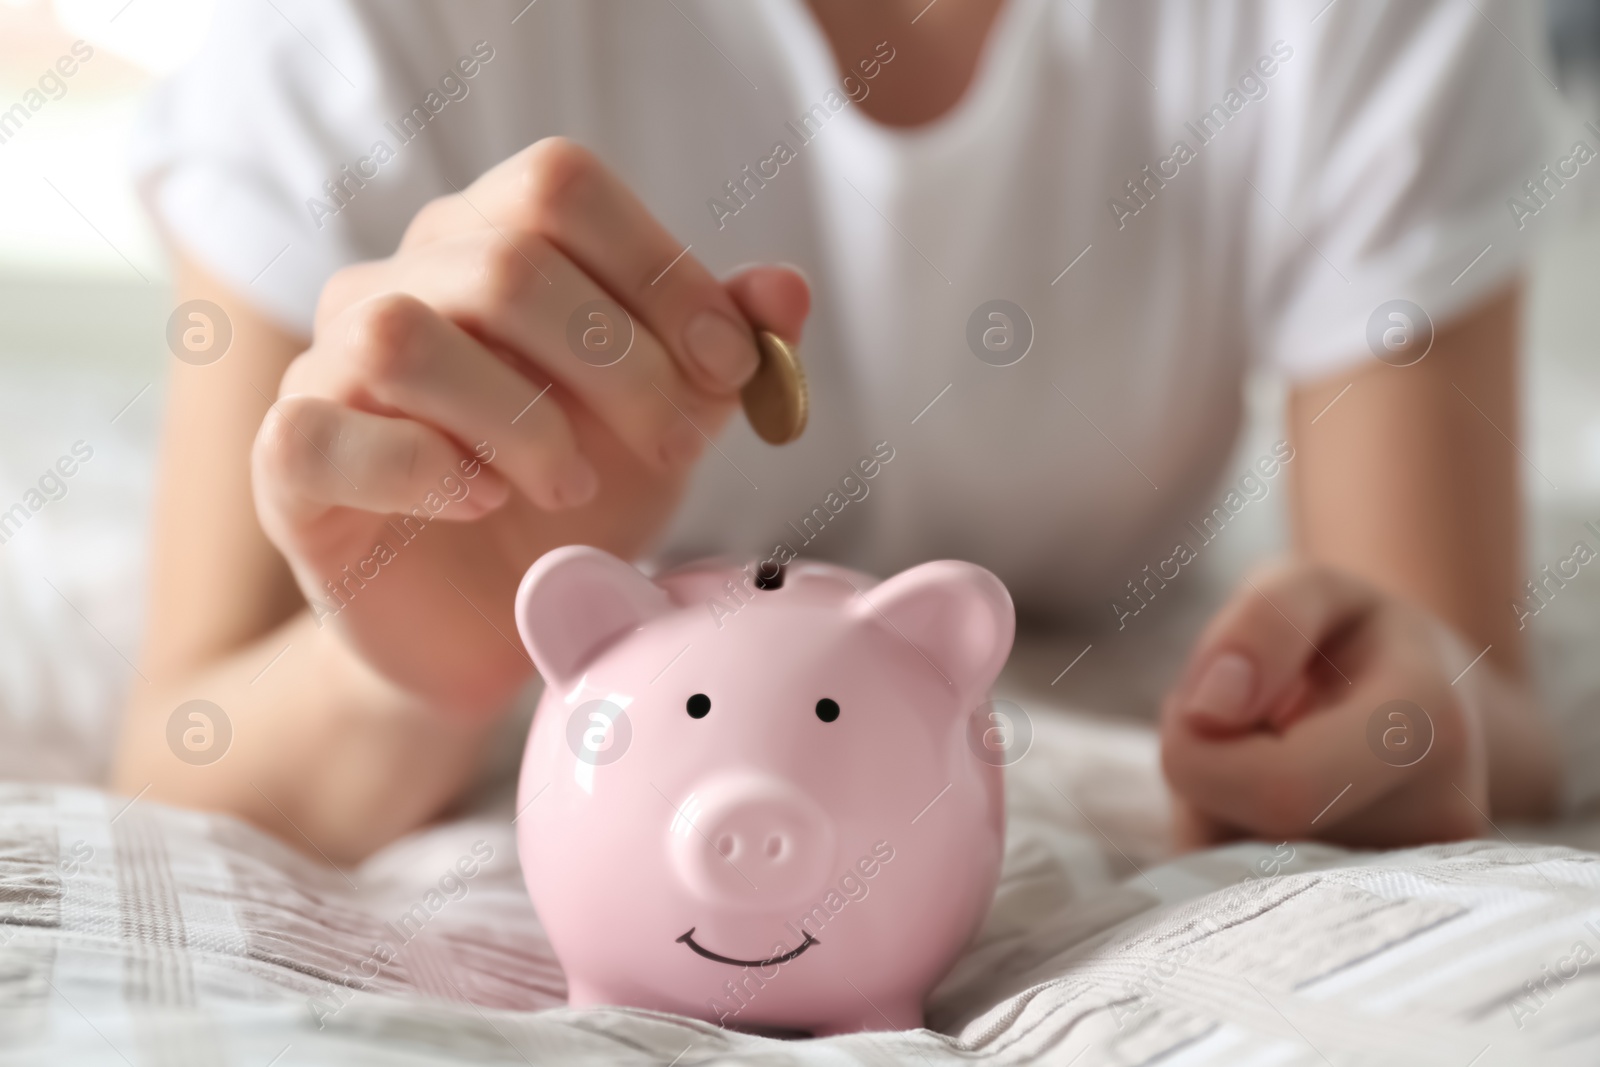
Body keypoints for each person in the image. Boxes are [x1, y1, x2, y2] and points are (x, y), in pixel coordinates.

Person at [115, 0, 1560, 861]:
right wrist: (424, 667)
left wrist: (1400, 717)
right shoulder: (354, 31)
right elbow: (184, 754)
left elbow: (1462, 670)